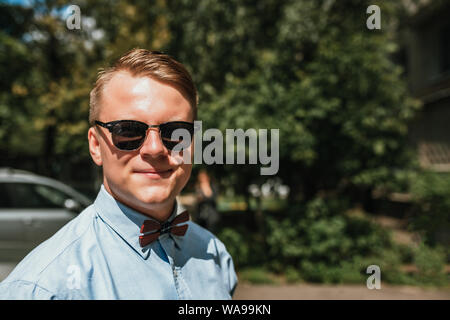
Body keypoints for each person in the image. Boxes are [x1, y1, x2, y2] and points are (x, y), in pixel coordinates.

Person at [0, 49, 237, 299]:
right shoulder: (42, 288)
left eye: (175, 132)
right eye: (128, 131)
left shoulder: (215, 257)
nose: (155, 149)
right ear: (95, 145)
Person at [195, 169, 220, 234]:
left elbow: (212, 198)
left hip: (211, 216)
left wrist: (205, 188)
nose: (201, 179)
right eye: (200, 177)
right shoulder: (198, 187)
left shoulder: (213, 186)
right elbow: (197, 200)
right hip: (201, 216)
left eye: (203, 177)